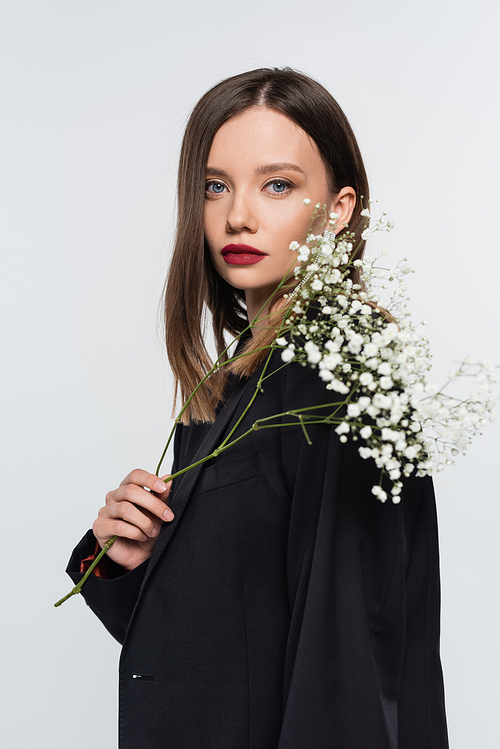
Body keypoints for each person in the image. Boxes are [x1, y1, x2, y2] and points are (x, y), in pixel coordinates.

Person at [67, 68, 449, 748]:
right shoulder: (240, 376)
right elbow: (225, 648)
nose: (237, 214)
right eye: (216, 185)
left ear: (336, 209)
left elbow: (346, 666)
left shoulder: (337, 381)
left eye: (278, 184)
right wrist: (130, 561)